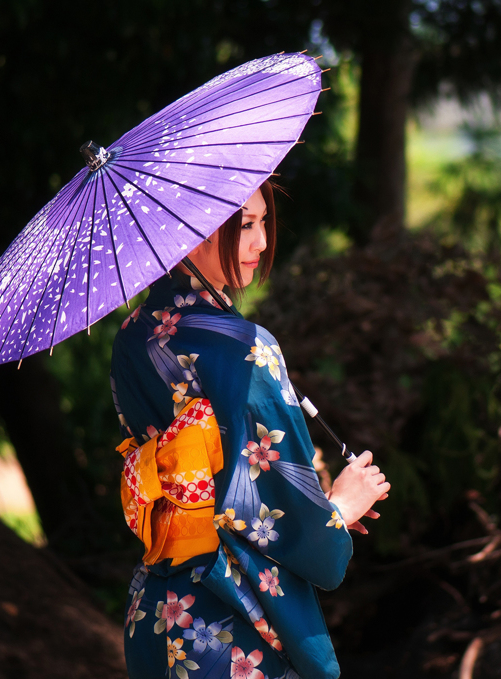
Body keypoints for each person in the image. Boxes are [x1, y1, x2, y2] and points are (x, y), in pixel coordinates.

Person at [110, 181, 389, 679]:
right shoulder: (247, 348)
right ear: (191, 231)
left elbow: (230, 476)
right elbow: (266, 490)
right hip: (225, 617)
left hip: (155, 610)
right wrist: (338, 510)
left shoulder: (130, 337)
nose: (261, 242)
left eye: (262, 222)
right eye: (244, 225)